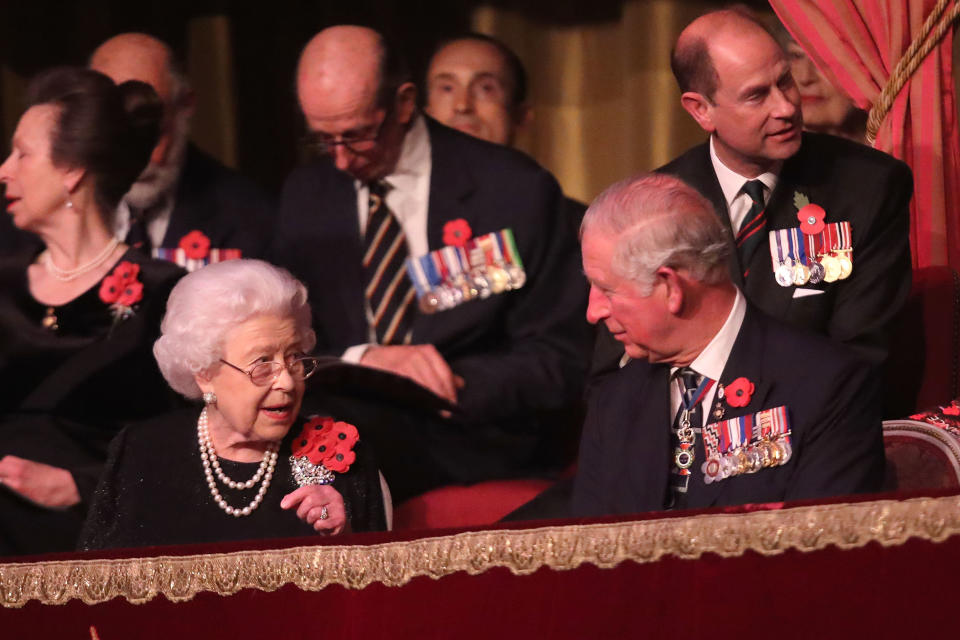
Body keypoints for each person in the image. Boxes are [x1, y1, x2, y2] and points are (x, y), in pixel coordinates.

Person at [274, 26, 590, 501]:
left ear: (403, 103)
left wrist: (443, 382)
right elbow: (290, 338)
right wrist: (367, 360)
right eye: (323, 140)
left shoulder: (512, 189)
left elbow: (560, 356)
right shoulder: (306, 196)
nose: (339, 160)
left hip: (472, 431)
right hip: (339, 417)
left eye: (357, 135)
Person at [592, 8, 912, 378]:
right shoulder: (650, 209)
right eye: (757, 96)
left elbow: (860, 359)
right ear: (701, 110)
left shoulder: (866, 185)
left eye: (785, 81)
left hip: (812, 422)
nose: (787, 106)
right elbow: (612, 372)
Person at [572, 173, 884, 517]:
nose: (592, 311)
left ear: (670, 287)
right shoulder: (615, 401)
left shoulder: (827, 386)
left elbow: (825, 551)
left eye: (608, 290)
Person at [0, 67, 185, 555]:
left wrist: (78, 486)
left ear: (71, 170)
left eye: (22, 154)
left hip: (101, 538)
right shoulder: (3, 286)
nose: (4, 169)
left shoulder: (165, 295)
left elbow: (195, 449)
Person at [80, 260, 387, 550]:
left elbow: (378, 592)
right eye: (262, 363)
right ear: (205, 373)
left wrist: (342, 537)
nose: (288, 382)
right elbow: (93, 583)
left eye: (294, 357)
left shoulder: (340, 455)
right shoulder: (140, 452)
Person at [89, 33, 275, 266]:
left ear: (185, 105)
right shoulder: (63, 210)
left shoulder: (248, 214)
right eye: (116, 136)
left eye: (151, 134)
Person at [424, 32, 586, 235]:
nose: (462, 105)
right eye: (447, 88)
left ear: (520, 116)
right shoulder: (398, 215)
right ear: (426, 114)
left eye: (486, 88)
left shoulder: (576, 228)